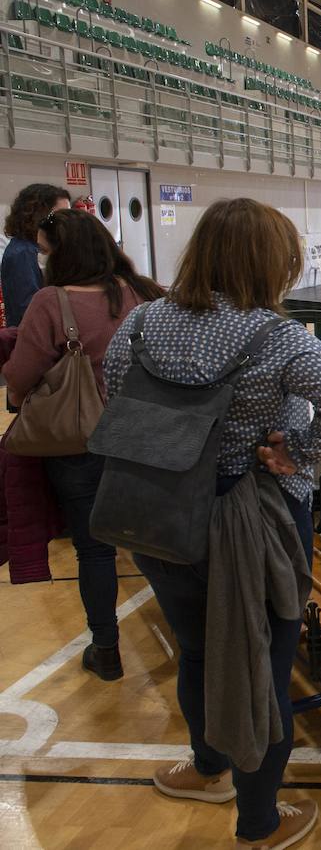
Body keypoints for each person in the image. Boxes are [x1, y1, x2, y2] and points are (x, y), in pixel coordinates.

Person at [103, 198, 321, 848]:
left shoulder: (142, 323)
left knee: (196, 649)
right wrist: (298, 452)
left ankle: (208, 767)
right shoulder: (272, 335)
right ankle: (259, 820)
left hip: (157, 514)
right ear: (270, 265)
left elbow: (116, 389)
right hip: (252, 518)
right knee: (261, 663)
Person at [2, 209, 162, 680]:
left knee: (94, 550)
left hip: (81, 440)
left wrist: (17, 396)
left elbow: (21, 375)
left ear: (60, 253)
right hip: (145, 435)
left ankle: (107, 649)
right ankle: (188, 632)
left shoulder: (52, 302)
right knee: (157, 539)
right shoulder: (142, 293)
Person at [2, 183, 71, 327]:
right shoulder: (22, 253)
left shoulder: (38, 250)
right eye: (60, 217)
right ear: (39, 216)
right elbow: (28, 309)